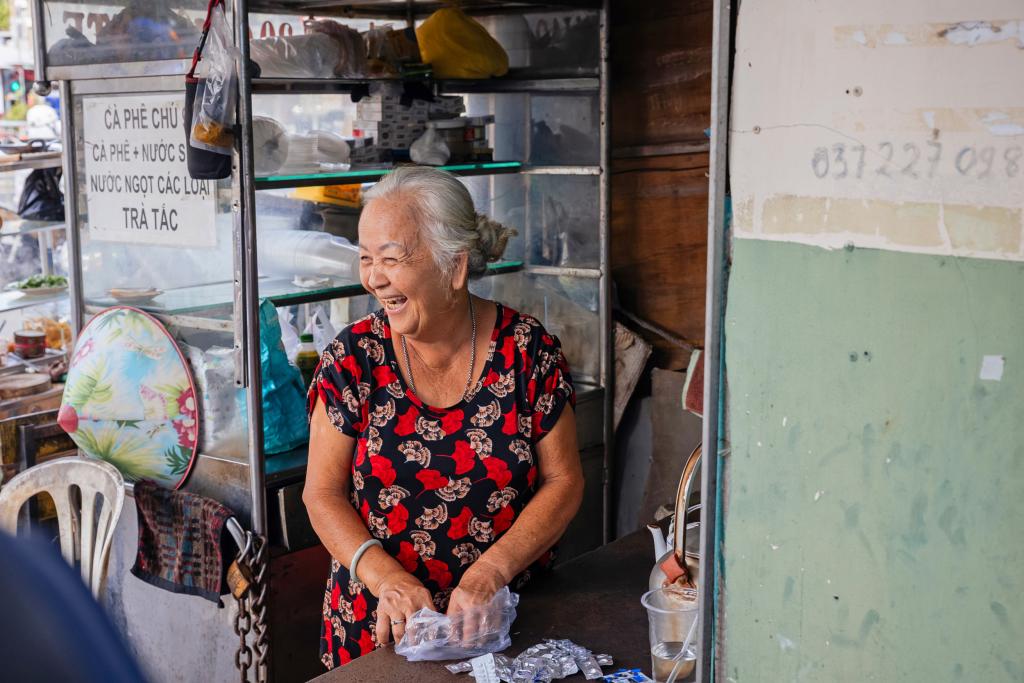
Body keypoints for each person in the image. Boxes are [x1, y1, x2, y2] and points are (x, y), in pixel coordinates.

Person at [304, 166, 584, 669]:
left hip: (504, 623)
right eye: (367, 259)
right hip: (380, 630)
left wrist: (489, 573)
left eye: (391, 259)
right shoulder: (352, 359)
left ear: (453, 267)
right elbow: (320, 494)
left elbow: (564, 480)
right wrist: (386, 578)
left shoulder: (526, 352)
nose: (374, 278)